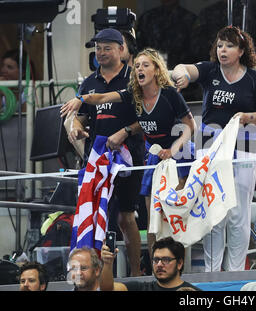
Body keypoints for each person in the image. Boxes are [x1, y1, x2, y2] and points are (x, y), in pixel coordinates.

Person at [61, 48, 196, 259]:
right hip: (154, 155)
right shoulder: (133, 94)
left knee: (174, 216)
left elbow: (190, 125)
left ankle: (177, 268)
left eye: (146, 65)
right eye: (138, 65)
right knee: (153, 220)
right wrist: (81, 98)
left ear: (157, 70)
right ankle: (155, 271)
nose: (140, 69)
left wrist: (174, 150)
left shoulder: (168, 93)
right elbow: (103, 96)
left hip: (179, 153)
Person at [172, 25, 256, 272]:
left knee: (238, 212)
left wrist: (246, 117)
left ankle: (237, 272)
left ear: (241, 50)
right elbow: (182, 68)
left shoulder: (253, 78)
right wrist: (182, 76)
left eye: (229, 46)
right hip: (211, 144)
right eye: (219, 45)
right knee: (213, 211)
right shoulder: (209, 71)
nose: (223, 50)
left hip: (245, 143)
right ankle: (211, 273)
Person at [65, 28, 144, 276]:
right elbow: (78, 118)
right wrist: (77, 129)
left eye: (106, 48)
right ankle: (94, 276)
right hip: (96, 159)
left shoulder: (135, 78)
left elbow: (150, 118)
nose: (100, 53)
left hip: (129, 158)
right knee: (96, 216)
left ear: (121, 49)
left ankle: (136, 274)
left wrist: (126, 131)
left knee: (126, 217)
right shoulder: (89, 82)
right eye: (97, 48)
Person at [100, 237, 201, 291]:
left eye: (165, 260)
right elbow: (108, 289)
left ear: (179, 264)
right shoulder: (140, 288)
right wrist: (107, 263)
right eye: (156, 260)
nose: (159, 264)